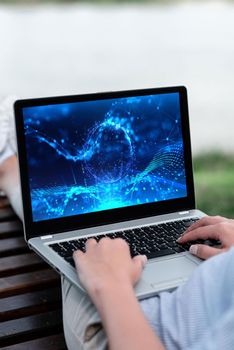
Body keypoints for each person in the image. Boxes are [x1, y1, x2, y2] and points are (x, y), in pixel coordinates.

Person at [1, 96, 234, 349]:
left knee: (62, 231)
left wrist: (111, 284)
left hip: (125, 324)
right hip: (210, 286)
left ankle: (8, 167)